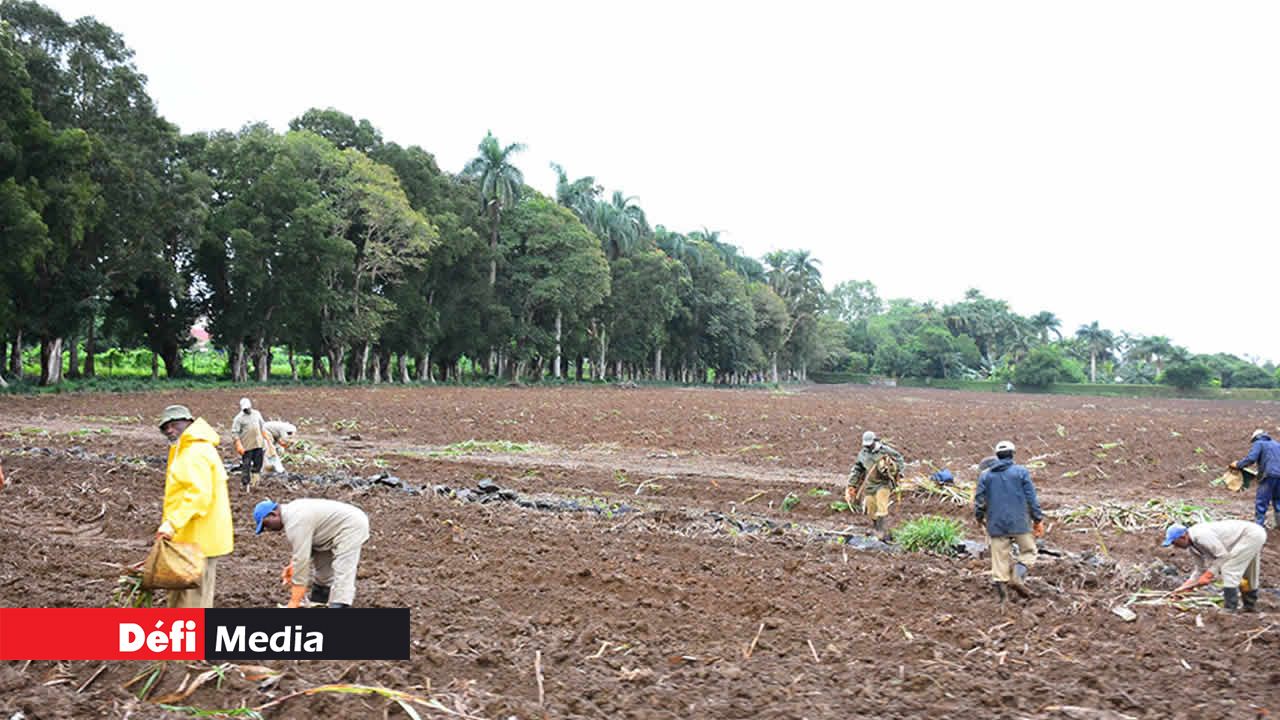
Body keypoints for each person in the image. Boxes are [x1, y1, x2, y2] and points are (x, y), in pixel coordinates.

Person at [156, 405, 234, 608]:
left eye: (174, 424)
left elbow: (198, 495)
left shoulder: (194, 452)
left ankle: (191, 638)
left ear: (189, 422)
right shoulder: (194, 447)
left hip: (198, 540)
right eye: (165, 427)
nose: (170, 430)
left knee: (192, 602)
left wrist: (171, 524)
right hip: (193, 537)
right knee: (183, 597)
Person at [254, 498, 370, 608]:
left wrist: (295, 600)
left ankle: (340, 604)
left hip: (351, 526)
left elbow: (301, 560)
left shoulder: (295, 521)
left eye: (266, 524)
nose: (268, 529)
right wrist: (293, 566)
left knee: (343, 570)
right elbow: (303, 549)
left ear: (273, 514)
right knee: (323, 571)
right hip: (329, 531)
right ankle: (319, 602)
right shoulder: (292, 513)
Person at [974, 440, 1044, 602]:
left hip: (996, 524)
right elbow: (1031, 498)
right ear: (1012, 454)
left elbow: (980, 501)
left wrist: (979, 518)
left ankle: (1003, 600)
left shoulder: (985, 476)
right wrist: (1037, 519)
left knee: (999, 562)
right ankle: (1018, 578)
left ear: (997, 456)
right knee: (1028, 551)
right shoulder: (1021, 472)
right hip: (1020, 522)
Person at [1164, 519, 1266, 612]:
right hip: (1248, 537)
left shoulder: (1200, 535)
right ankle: (1250, 606)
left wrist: (1209, 575)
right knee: (1248, 571)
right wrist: (1183, 589)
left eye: (1174, 542)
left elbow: (1222, 556)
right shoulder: (1192, 547)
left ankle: (1230, 608)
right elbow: (1199, 571)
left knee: (1229, 568)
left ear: (1182, 537)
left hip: (1251, 535)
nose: (1175, 546)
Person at [847, 430, 907, 540]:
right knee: (870, 508)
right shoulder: (863, 454)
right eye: (866, 446)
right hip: (870, 485)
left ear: (875, 441)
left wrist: (900, 473)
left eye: (870, 445)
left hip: (884, 483)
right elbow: (857, 469)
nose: (868, 448)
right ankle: (876, 528)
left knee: (881, 506)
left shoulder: (885, 451)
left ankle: (881, 531)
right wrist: (852, 485)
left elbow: (899, 459)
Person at [1230, 429, 1280, 528]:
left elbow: (1251, 458)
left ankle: (1259, 526)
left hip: (1269, 475)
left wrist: (1238, 465)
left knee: (1262, 501)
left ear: (1256, 438)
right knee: (1278, 500)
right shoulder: (1277, 444)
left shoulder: (1259, 443)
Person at [231, 397, 269, 489]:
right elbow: (235, 433)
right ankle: (245, 484)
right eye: (245, 409)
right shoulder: (238, 419)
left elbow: (262, 426)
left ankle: (255, 482)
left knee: (258, 464)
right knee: (246, 465)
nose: (246, 410)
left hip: (258, 444)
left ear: (250, 406)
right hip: (247, 446)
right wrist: (238, 444)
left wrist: (266, 438)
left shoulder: (257, 414)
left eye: (247, 408)